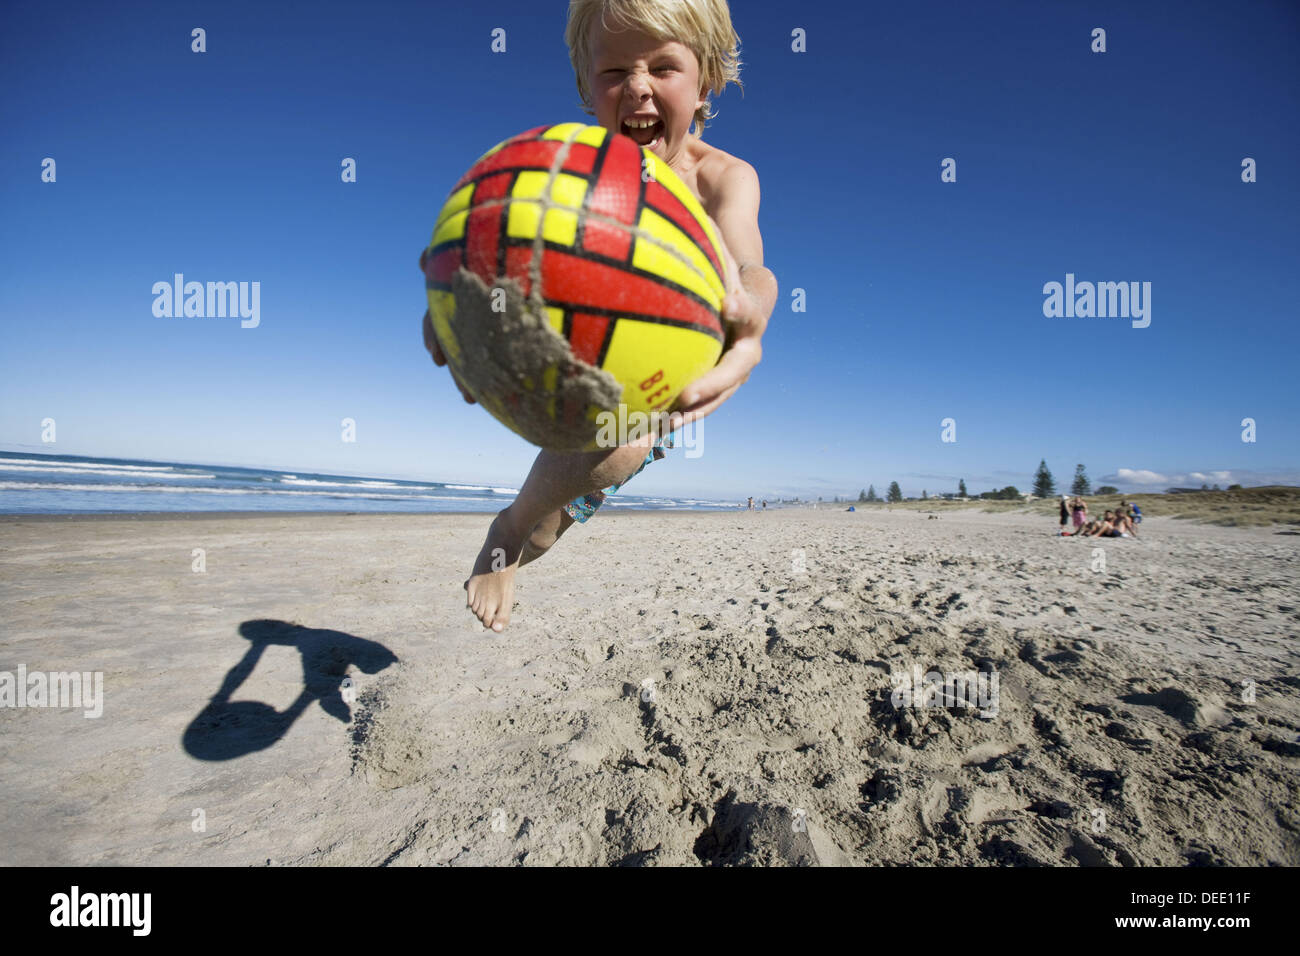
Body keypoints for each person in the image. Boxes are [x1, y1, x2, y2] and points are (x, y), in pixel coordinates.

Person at [426, 0, 778, 632]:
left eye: (664, 67)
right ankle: (506, 526)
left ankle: (519, 535)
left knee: (552, 528)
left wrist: (751, 315)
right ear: (587, 88)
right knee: (619, 445)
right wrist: (458, 290)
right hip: (573, 371)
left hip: (663, 372)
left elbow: (749, 264)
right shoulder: (568, 168)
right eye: (614, 71)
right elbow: (497, 225)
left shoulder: (723, 177)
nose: (638, 86)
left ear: (708, 81)